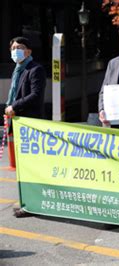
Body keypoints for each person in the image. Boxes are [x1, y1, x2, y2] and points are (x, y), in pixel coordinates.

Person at [6, 37, 46, 218]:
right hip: (18, 124)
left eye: (20, 48)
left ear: (29, 51)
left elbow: (36, 96)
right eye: (13, 48)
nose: (16, 51)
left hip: (30, 125)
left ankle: (33, 203)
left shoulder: (35, 69)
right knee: (23, 167)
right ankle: (27, 202)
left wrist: (14, 106)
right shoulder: (18, 70)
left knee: (32, 167)